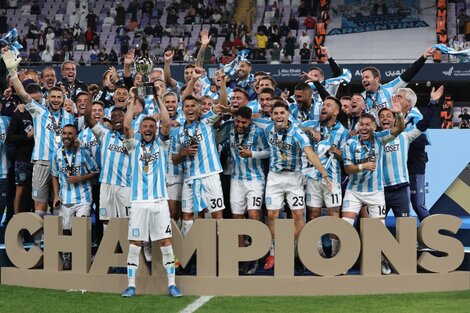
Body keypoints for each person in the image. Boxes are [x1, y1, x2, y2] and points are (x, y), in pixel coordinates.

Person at [3, 49, 75, 245]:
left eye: (59, 97)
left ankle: (61, 244)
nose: (56, 100)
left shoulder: (70, 117)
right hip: (42, 163)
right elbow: (22, 93)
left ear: (64, 99)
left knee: (61, 206)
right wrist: (12, 72)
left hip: (62, 166)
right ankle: (39, 243)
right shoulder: (39, 112)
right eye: (53, 97)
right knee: (39, 205)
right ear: (47, 98)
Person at [253, 100, 330, 270]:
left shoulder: (297, 133)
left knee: (297, 215)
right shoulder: (267, 126)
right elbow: (245, 117)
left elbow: (309, 153)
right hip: (274, 178)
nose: (279, 116)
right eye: (276, 113)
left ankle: (301, 253)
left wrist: (323, 172)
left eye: (282, 113)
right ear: (271, 116)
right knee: (272, 215)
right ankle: (273, 252)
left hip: (294, 178)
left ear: (288, 114)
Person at [121, 92, 182, 298]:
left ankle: (172, 285)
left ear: (155, 131)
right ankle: (131, 285)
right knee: (135, 243)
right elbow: (126, 126)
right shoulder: (133, 145)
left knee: (165, 241)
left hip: (159, 201)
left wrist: (157, 98)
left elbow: (166, 122)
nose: (148, 129)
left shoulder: (161, 145)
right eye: (145, 127)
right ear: (140, 130)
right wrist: (131, 102)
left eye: (151, 127)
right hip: (138, 201)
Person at [342, 100, 405, 275]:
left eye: (367, 124)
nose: (363, 127)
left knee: (379, 231)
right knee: (345, 226)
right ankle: (343, 261)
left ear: (374, 127)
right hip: (354, 192)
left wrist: (399, 114)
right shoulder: (350, 144)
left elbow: (399, 129)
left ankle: (382, 260)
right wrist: (363, 166)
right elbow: (347, 168)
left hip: (376, 192)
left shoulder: (380, 138)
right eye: (361, 124)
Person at [217, 106, 270, 274]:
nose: (240, 125)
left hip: (255, 180)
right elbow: (215, 135)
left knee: (254, 215)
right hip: (236, 180)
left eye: (243, 122)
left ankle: (254, 256)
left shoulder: (258, 132)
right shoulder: (229, 130)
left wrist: (252, 154)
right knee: (236, 218)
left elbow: (269, 152)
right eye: (237, 121)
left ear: (250, 121)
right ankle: (241, 255)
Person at [379, 86, 443, 220]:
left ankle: (429, 237)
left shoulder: (416, 117)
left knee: (418, 205)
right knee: (378, 212)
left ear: (408, 103)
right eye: (395, 95)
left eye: (399, 97)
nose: (395, 98)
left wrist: (402, 137)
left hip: (413, 168)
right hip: (392, 173)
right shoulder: (389, 116)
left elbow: (421, 139)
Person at [172, 96, 228, 237]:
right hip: (190, 179)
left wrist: (221, 84)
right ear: (182, 109)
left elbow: (221, 105)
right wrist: (183, 153)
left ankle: (220, 252)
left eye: (193, 106)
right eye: (187, 106)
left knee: (217, 214)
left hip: (210, 175)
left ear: (199, 108)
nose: (190, 109)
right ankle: (188, 254)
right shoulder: (177, 132)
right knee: (187, 216)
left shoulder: (207, 122)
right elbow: (174, 159)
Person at [301, 96, 350, 258]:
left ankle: (336, 254)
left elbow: (347, 158)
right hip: (312, 179)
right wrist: (309, 131)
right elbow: (294, 127)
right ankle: (317, 253)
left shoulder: (343, 132)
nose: (324, 107)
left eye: (328, 106)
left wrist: (334, 150)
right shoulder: (312, 124)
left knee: (333, 216)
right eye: (323, 105)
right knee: (313, 214)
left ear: (336, 111)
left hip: (332, 180)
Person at [51, 124, 99, 269]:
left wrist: (81, 178)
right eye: (64, 133)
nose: (66, 136)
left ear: (75, 135)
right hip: (65, 198)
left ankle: (81, 256)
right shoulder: (56, 154)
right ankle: (67, 256)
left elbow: (96, 171)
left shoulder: (84, 152)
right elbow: (54, 176)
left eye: (70, 134)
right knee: (65, 228)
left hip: (83, 198)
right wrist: (55, 196)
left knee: (80, 228)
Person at [360, 47, 435, 118]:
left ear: (376, 79)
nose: (363, 80)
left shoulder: (390, 88)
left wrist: (423, 57)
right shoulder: (361, 97)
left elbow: (408, 74)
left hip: (393, 130)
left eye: (367, 77)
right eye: (362, 78)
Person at [6, 83, 38, 216]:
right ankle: (16, 222)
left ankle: (35, 226)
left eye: (38, 99)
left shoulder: (43, 114)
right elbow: (10, 138)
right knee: (20, 190)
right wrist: (27, 136)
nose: (35, 102)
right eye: (33, 99)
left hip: (38, 160)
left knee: (36, 192)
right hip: (23, 159)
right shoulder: (19, 113)